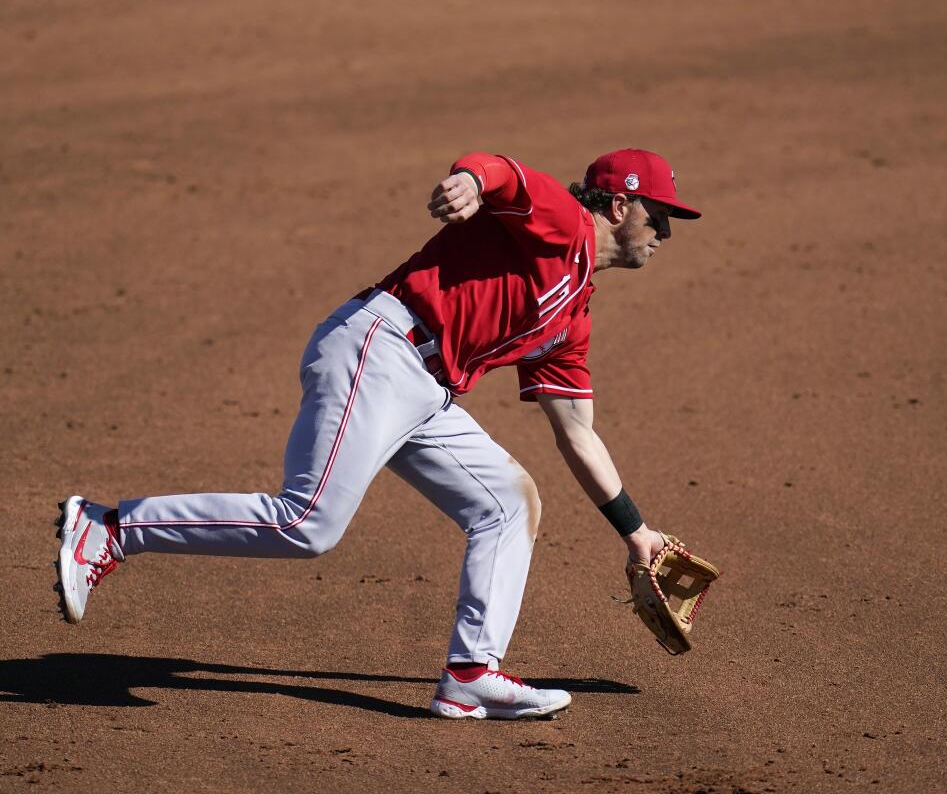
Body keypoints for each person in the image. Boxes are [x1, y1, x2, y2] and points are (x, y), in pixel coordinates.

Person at [55, 148, 701, 720]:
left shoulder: (573, 317)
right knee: (306, 524)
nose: (666, 232)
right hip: (381, 347)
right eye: (660, 215)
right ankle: (109, 528)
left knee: (506, 503)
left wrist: (636, 532)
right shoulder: (561, 220)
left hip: (426, 390)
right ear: (620, 205)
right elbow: (502, 170)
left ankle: (471, 677)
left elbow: (578, 433)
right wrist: (472, 183)